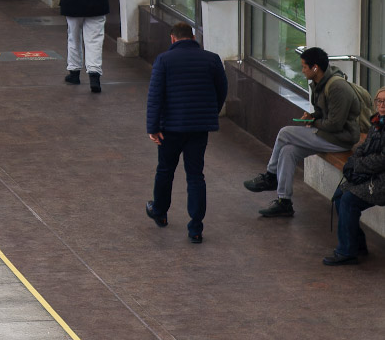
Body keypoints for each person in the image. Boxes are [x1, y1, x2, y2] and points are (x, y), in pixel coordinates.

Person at [244, 47, 367, 219]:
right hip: (328, 135)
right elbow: (324, 112)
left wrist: (312, 121)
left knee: (285, 133)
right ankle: (284, 202)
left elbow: (336, 124)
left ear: (315, 67)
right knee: (288, 151)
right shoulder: (319, 83)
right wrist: (313, 116)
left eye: (304, 67)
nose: (302, 71)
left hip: (340, 139)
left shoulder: (337, 87)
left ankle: (270, 176)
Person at [145, 22, 228, 244]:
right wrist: (209, 114)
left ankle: (160, 212)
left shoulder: (164, 60)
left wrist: (153, 127)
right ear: (192, 37)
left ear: (172, 38)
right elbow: (222, 90)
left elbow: (155, 96)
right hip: (199, 129)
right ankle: (196, 229)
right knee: (195, 176)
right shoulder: (212, 59)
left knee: (165, 170)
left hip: (169, 128)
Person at [326, 88, 385, 265]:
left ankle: (347, 251)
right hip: (370, 175)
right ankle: (356, 243)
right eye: (379, 101)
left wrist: (357, 165)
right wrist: (353, 162)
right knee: (339, 195)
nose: (381, 106)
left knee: (349, 200)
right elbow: (363, 146)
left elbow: (383, 159)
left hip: (381, 181)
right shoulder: (377, 123)